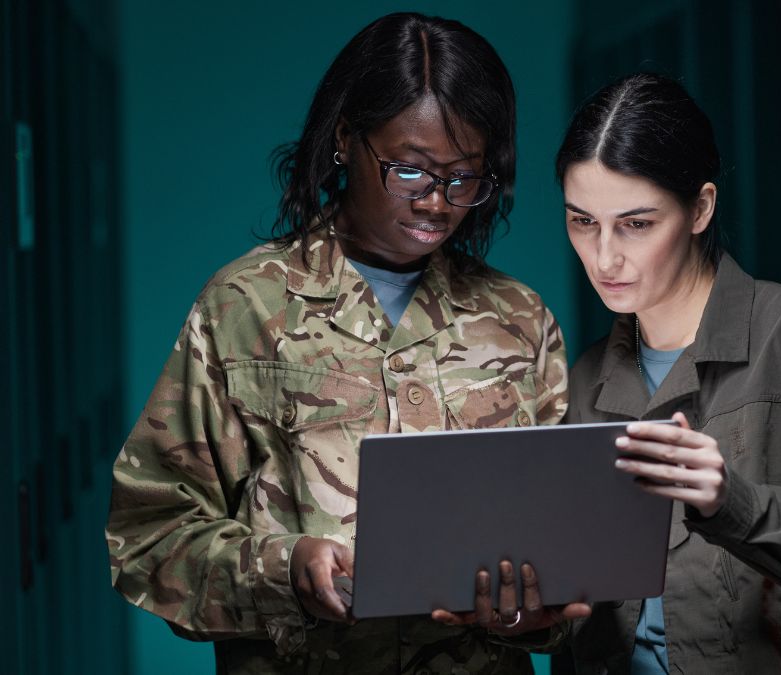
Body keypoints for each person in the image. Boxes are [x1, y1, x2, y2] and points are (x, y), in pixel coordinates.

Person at [106, 13, 576, 674]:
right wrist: (288, 569)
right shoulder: (246, 307)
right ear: (344, 140)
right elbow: (148, 535)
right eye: (410, 171)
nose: (438, 203)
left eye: (463, 177)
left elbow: (569, 554)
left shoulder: (520, 319)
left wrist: (531, 613)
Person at [557, 73, 781, 673]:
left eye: (637, 224)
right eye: (582, 222)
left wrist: (736, 501)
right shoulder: (586, 380)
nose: (605, 257)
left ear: (700, 207)